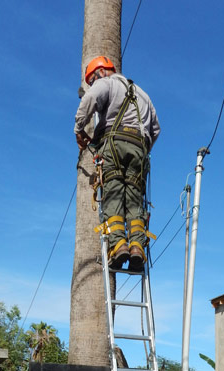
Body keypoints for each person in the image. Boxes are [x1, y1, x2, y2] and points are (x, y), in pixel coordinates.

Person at [74, 56, 160, 271]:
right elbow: (156, 129)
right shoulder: (144, 94)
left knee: (113, 193)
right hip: (139, 149)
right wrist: (142, 149)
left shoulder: (106, 83)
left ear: (101, 72)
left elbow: (90, 98)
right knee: (134, 200)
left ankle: (119, 245)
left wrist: (79, 129)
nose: (93, 83)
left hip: (113, 145)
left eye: (92, 80)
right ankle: (137, 247)